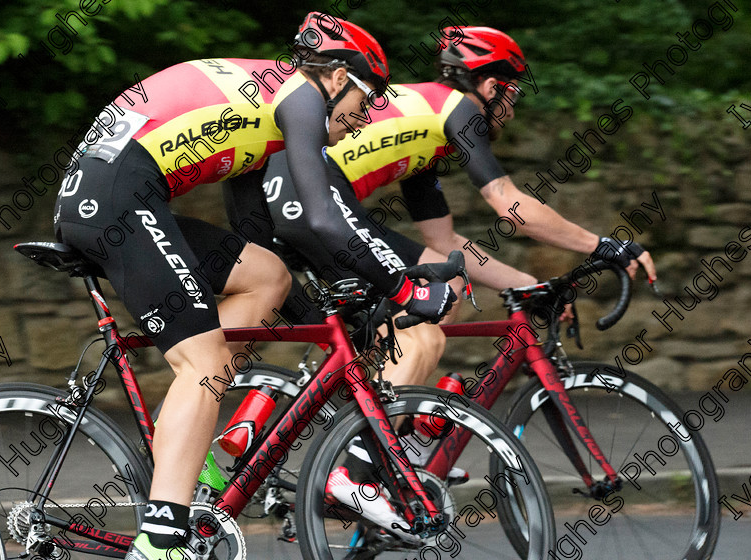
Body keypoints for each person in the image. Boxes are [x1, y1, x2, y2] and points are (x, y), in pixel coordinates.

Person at [225, 26, 658, 537]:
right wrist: (605, 246)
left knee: (437, 290)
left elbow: (446, 248)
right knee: (424, 323)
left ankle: (378, 443)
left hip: (281, 194)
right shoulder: (459, 109)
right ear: (492, 87)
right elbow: (510, 205)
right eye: (511, 95)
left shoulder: (421, 129)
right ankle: (366, 463)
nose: (511, 111)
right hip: (308, 194)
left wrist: (523, 282)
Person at [52, 13, 448, 560]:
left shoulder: (265, 108)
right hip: (116, 200)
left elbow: (258, 238)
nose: (363, 120)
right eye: (366, 99)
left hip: (116, 191)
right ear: (336, 79)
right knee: (205, 364)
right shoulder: (300, 97)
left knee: (265, 275)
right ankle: (161, 538)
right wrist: (403, 286)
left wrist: (330, 315)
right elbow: (323, 217)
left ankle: (196, 427)